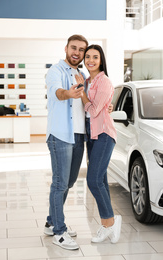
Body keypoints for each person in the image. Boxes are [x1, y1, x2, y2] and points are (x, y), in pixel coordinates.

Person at [44, 34, 88, 250]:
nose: (77, 52)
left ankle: (51, 221)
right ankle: (59, 232)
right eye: (74, 48)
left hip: (79, 136)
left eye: (81, 49)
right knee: (60, 183)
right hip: (61, 134)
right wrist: (68, 93)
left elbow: (86, 103)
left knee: (69, 183)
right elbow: (56, 92)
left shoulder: (82, 73)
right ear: (66, 48)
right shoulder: (56, 71)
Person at [75, 44, 122, 244]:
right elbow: (92, 109)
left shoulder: (104, 82)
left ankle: (110, 222)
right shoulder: (86, 81)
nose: (90, 60)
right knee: (100, 180)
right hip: (91, 135)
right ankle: (108, 223)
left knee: (93, 180)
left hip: (103, 133)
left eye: (95, 57)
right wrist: (83, 89)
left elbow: (93, 111)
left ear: (101, 60)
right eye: (87, 57)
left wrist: (82, 92)